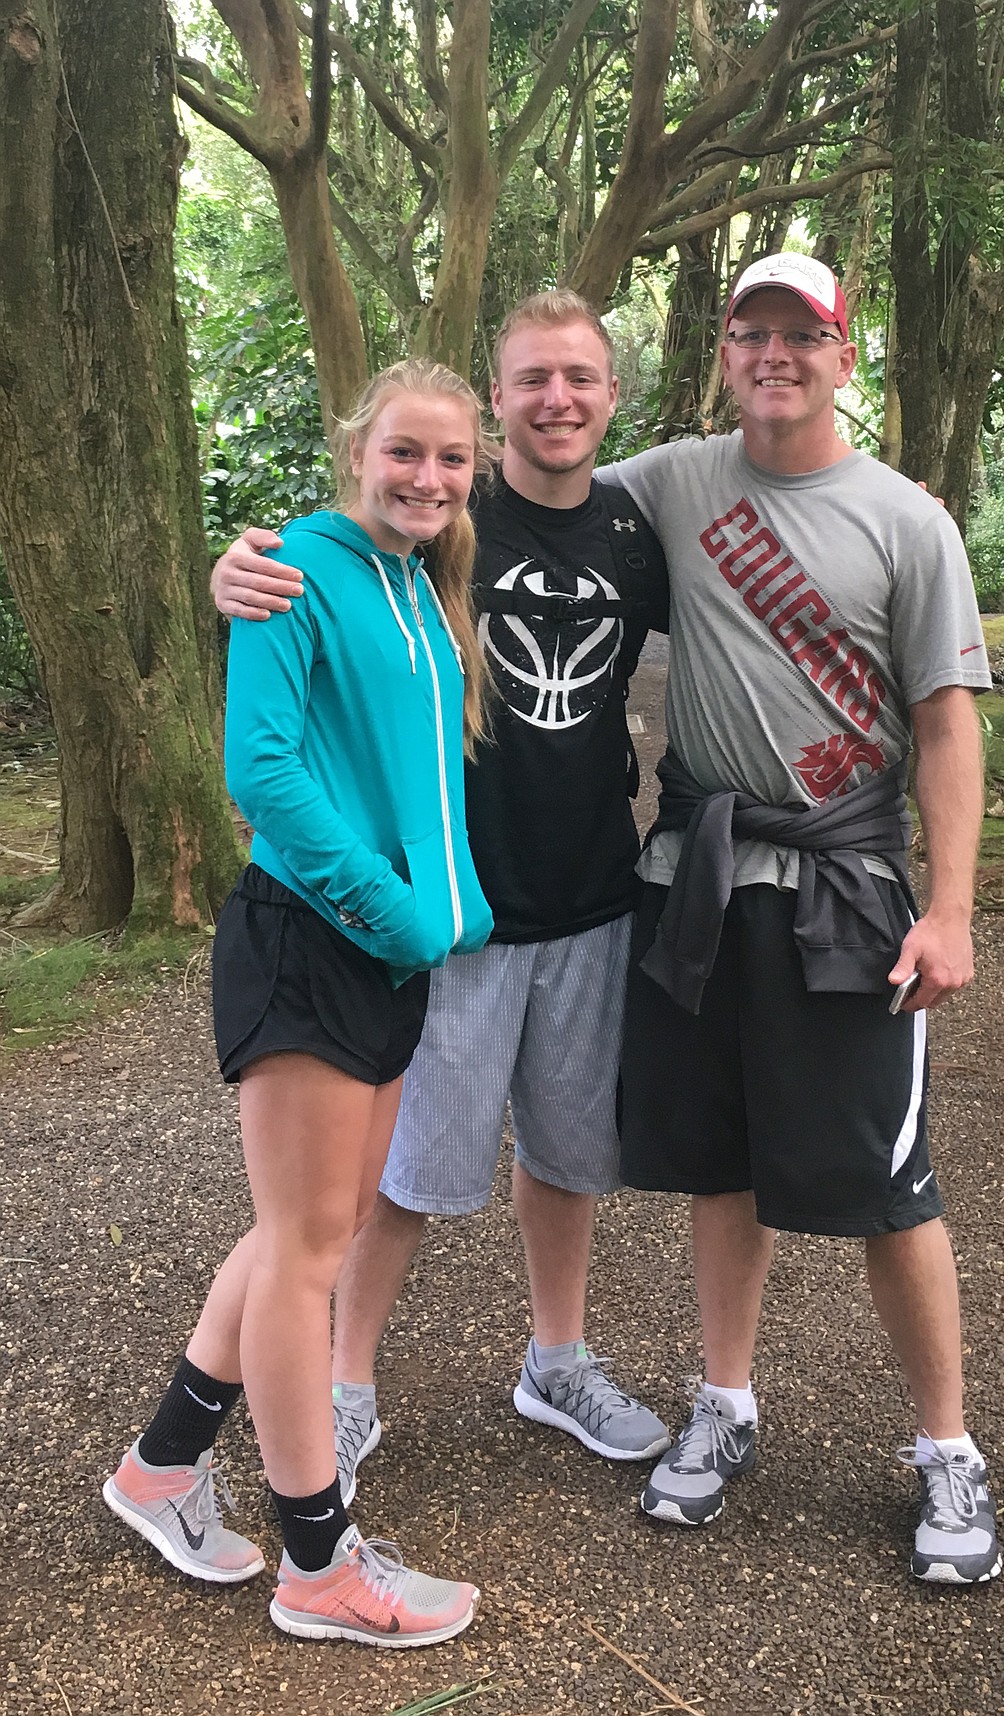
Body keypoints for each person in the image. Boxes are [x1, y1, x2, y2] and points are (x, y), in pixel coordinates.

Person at [211, 291, 673, 1499]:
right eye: (532, 379)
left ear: (611, 396)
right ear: (498, 397)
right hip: (451, 906)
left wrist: (912, 506)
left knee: (570, 1156)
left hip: (592, 897)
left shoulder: (633, 529)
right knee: (405, 1177)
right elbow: (325, 573)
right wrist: (242, 567)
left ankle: (556, 1360)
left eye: (580, 377)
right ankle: (344, 1381)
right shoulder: (439, 525)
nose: (557, 399)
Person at [598, 253, 1000, 1583]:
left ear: (841, 354)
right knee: (722, 1163)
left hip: (848, 889)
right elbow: (518, 508)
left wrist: (947, 907)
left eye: (799, 335)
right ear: (724, 349)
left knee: (890, 1186)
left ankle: (946, 1450)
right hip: (706, 882)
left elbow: (945, 721)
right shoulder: (672, 483)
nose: (771, 353)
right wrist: (287, 554)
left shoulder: (904, 523)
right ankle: (723, 1405)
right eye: (748, 332)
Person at [103, 359, 495, 1646]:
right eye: (404, 454)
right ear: (356, 451)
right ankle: (318, 1567)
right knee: (308, 1256)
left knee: (294, 1236)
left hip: (384, 958)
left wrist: (438, 917)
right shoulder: (293, 569)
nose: (426, 478)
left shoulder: (421, 586)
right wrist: (398, 911)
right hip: (309, 947)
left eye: (448, 458)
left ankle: (160, 1471)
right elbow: (261, 773)